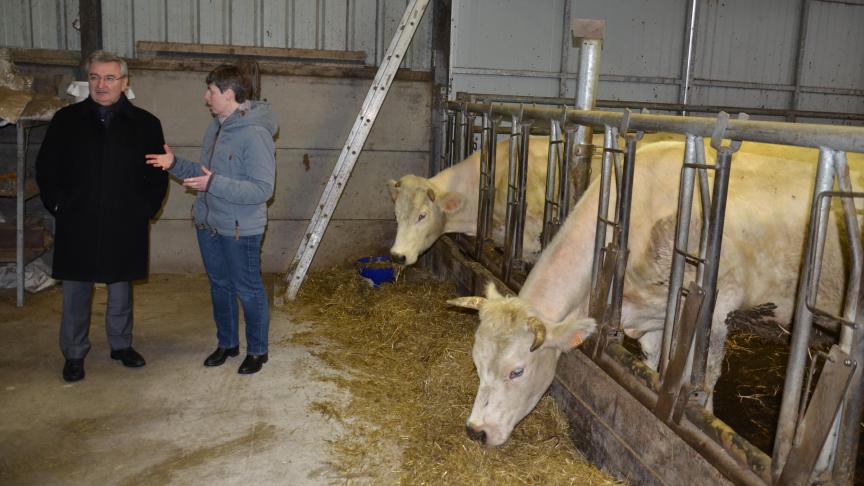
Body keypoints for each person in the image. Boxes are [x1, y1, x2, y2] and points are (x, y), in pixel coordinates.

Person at [36, 50, 169, 383]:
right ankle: (74, 353)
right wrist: (59, 205)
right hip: (78, 218)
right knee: (76, 289)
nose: (101, 84)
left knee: (121, 285)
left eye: (110, 78)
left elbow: (157, 176)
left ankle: (121, 345)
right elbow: (46, 168)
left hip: (125, 219)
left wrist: (143, 211)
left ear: (124, 82)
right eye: (94, 77)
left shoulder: (146, 124)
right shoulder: (67, 120)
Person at [146, 64, 277, 375]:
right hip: (210, 223)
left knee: (248, 289)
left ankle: (258, 350)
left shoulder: (255, 135)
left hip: (239, 228)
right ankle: (228, 343)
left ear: (229, 94)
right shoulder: (217, 127)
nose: (206, 97)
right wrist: (174, 164)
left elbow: (263, 189)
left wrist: (213, 184)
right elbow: (205, 175)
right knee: (220, 286)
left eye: (211, 91)